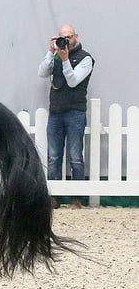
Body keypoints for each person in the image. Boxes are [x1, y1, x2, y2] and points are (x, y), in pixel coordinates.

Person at [37, 24, 94, 206]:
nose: (65, 41)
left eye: (68, 37)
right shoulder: (55, 55)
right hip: (56, 112)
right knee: (54, 156)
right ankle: (54, 197)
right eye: (62, 37)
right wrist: (50, 52)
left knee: (75, 155)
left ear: (76, 37)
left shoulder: (86, 59)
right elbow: (42, 72)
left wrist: (65, 59)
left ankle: (78, 198)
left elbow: (73, 81)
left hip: (75, 112)